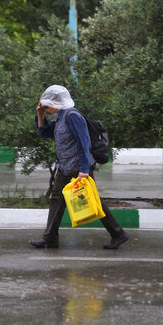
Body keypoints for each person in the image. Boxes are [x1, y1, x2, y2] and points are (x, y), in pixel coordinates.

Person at [29, 85, 129, 250]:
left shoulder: (72, 116)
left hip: (79, 168)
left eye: (46, 106)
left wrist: (84, 170)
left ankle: (118, 233)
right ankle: (50, 238)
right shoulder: (59, 117)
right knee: (56, 200)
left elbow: (84, 143)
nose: (46, 110)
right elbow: (44, 133)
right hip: (65, 167)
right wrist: (39, 114)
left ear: (55, 101)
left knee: (93, 200)